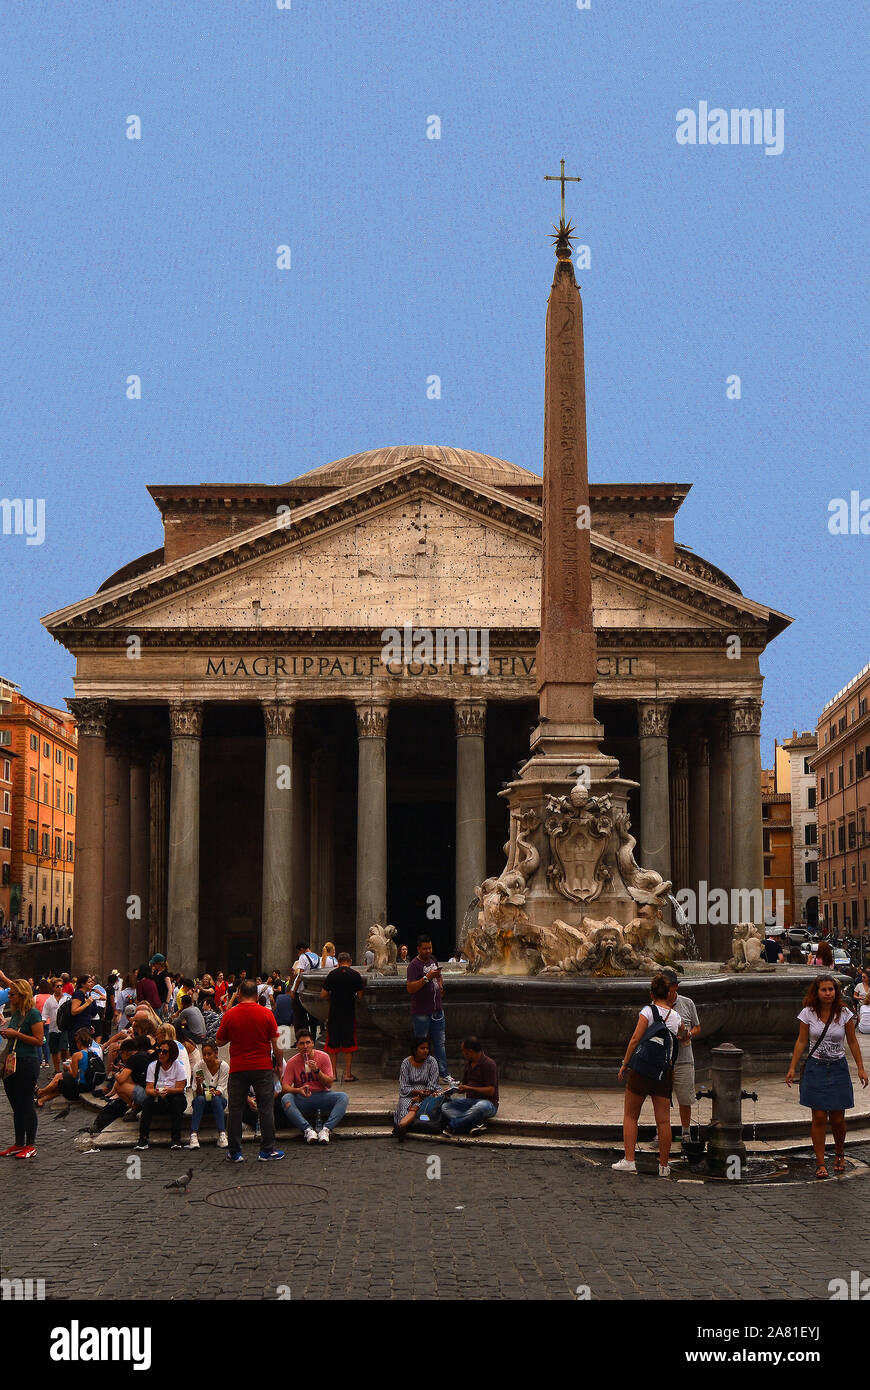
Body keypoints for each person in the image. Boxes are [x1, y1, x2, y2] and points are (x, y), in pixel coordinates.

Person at [786, 974, 868, 1178]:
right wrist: (792, 1067)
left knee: (838, 1118)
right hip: (816, 1068)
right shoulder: (808, 1013)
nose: (828, 993)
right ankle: (820, 1162)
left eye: (831, 989)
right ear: (817, 992)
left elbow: (853, 1042)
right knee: (819, 1117)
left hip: (838, 1067)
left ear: (836, 991)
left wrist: (860, 1068)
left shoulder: (844, 1013)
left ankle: (839, 1153)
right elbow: (801, 1041)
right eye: (824, 989)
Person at [612, 973, 681, 1177]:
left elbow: (635, 1039)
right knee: (664, 1121)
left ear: (651, 994)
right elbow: (681, 1035)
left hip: (642, 1070)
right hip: (663, 1072)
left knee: (631, 1115)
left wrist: (625, 1064)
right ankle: (664, 1166)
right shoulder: (675, 1017)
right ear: (669, 993)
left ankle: (630, 1160)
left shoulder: (647, 1011)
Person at [216, 979, 285, 1162]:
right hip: (262, 1067)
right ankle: (267, 1150)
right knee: (266, 1108)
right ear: (257, 995)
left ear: (239, 994)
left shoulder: (230, 1014)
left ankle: (234, 1151)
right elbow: (277, 1044)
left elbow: (219, 1041)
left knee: (236, 1110)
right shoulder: (267, 1014)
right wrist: (278, 1064)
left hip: (238, 1068)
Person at [653, 969, 700, 1150]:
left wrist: (689, 1034)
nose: (671, 991)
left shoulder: (687, 1003)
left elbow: (697, 1027)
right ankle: (661, 1132)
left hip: (684, 1058)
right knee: (662, 1099)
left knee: (685, 1098)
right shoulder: (655, 1006)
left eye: (673, 987)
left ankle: (686, 1132)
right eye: (668, 988)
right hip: (663, 1060)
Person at [0, 979, 44, 1159]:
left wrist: (15, 1034)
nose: (9, 998)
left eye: (12, 995)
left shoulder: (33, 1014)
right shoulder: (16, 1013)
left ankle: (30, 1144)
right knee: (16, 1105)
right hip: (12, 1062)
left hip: (27, 1061)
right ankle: (19, 1143)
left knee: (26, 1103)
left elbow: (38, 1041)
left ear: (22, 995)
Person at [279, 1029, 349, 1143]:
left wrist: (317, 1071)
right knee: (286, 1099)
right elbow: (285, 1087)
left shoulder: (323, 1057)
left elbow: (329, 1083)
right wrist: (298, 1090)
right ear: (297, 1045)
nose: (305, 1046)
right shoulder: (292, 1062)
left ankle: (326, 1129)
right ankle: (307, 1130)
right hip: (303, 1098)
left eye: (308, 1042)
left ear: (312, 1043)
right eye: (302, 1043)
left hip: (322, 1095)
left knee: (343, 1097)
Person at [406, 935, 456, 1085]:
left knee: (440, 1043)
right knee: (420, 1045)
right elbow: (410, 988)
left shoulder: (433, 960)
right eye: (425, 948)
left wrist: (440, 984)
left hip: (437, 1010)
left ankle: (444, 1073)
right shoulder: (413, 965)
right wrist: (426, 978)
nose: (428, 951)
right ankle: (419, 1074)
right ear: (418, 949)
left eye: (430, 948)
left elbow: (438, 976)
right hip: (421, 1011)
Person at [440, 1037, 499, 1136]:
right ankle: (475, 1125)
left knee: (479, 1107)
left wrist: (469, 1088)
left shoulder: (489, 1064)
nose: (463, 1054)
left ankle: (453, 1125)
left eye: (464, 1051)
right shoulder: (468, 1065)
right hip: (470, 1102)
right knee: (445, 1107)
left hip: (488, 1104)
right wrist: (454, 1089)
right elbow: (464, 1086)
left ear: (470, 1051)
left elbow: (491, 1091)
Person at [320, 953, 365, 1083]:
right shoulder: (356, 975)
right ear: (350, 962)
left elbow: (323, 994)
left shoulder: (332, 974)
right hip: (349, 1013)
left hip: (334, 1013)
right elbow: (360, 996)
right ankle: (347, 1074)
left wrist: (333, 997)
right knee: (349, 1044)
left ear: (338, 962)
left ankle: (333, 1074)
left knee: (332, 1044)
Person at [135, 1039, 187, 1151]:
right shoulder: (153, 1066)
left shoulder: (178, 1066)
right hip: (159, 1098)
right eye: (159, 1051)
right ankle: (143, 1138)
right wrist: (156, 1092)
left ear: (172, 1054)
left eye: (165, 1052)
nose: (161, 1054)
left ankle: (176, 1138)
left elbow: (180, 1088)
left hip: (174, 1097)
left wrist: (168, 1091)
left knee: (177, 1101)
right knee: (147, 1102)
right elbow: (148, 1089)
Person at [392, 1036, 441, 1139]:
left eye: (427, 1048)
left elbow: (433, 1084)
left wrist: (422, 1095)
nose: (425, 1051)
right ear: (415, 1050)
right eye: (422, 1048)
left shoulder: (432, 1062)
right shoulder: (406, 1063)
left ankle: (402, 1126)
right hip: (410, 1093)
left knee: (416, 1107)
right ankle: (402, 1128)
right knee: (405, 1106)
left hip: (429, 1093)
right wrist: (417, 1092)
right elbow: (404, 1086)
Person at [188, 1041, 230, 1149]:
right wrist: (198, 1084)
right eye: (204, 1054)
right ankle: (193, 1134)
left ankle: (222, 1134)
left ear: (216, 1053)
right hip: (203, 1099)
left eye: (209, 1054)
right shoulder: (199, 1067)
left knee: (216, 1099)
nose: (206, 1057)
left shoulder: (223, 1067)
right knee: (200, 1100)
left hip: (218, 1100)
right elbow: (197, 1093)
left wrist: (215, 1092)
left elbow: (222, 1087)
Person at [289, 941, 320, 1040]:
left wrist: (294, 990)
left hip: (301, 989)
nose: (298, 954)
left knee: (299, 1017)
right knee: (312, 1016)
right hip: (312, 989)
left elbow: (300, 975)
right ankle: (313, 1038)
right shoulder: (317, 957)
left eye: (298, 952)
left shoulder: (303, 957)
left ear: (301, 949)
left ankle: (301, 1039)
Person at [42, 978, 69, 1076]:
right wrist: (41, 1029)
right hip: (53, 1028)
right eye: (57, 986)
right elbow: (44, 1015)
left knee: (64, 1050)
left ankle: (66, 1069)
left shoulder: (67, 999)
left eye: (61, 986)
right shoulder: (49, 1001)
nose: (60, 988)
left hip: (64, 1028)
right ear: (53, 988)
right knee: (54, 1051)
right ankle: (57, 1071)